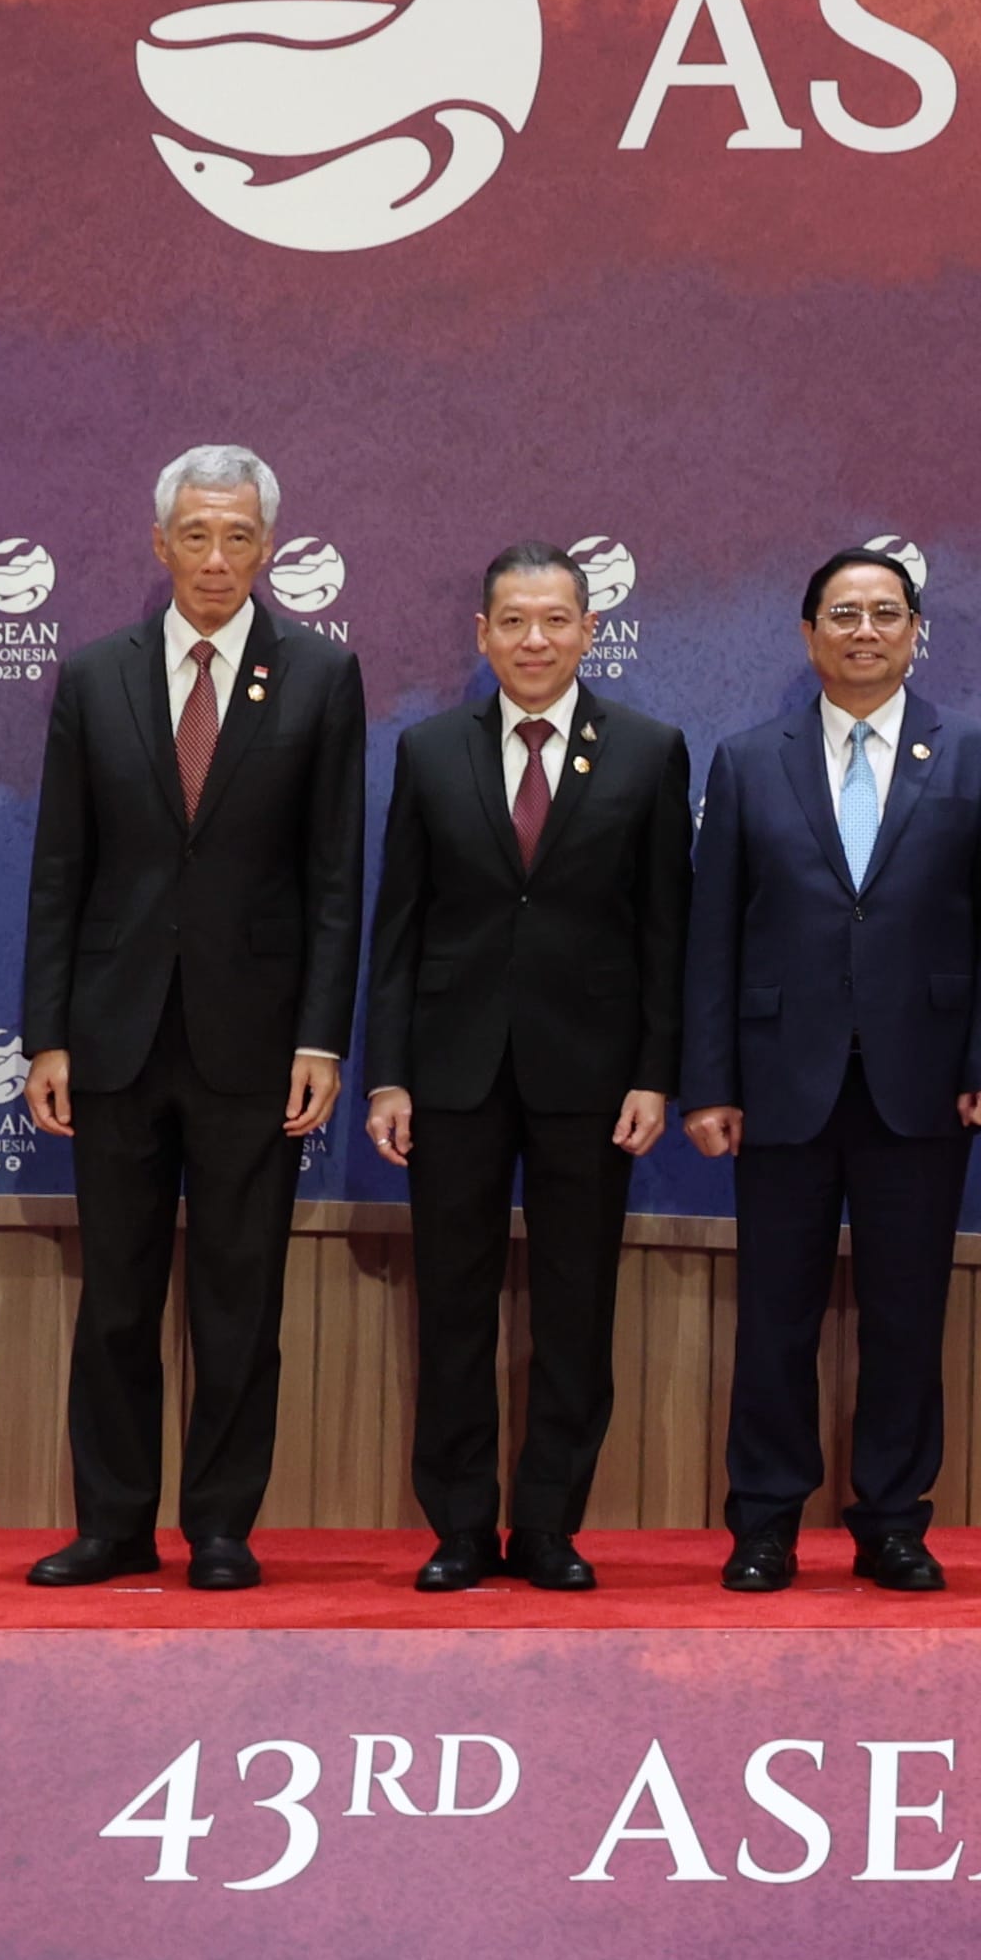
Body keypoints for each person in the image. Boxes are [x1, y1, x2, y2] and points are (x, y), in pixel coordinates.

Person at [17, 445, 366, 1591]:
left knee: (237, 1296)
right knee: (116, 1297)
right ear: (158, 543)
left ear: (268, 548)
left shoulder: (319, 675)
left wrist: (321, 1037)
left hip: (254, 1043)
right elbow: (59, 866)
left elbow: (331, 875)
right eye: (197, 536)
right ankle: (113, 1523)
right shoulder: (92, 674)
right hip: (113, 1036)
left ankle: (220, 1525)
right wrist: (48, 1035)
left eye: (240, 537)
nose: (218, 559)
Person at [683, 547, 981, 1594]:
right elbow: (712, 939)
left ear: (916, 631)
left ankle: (892, 1520)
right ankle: (764, 1522)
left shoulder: (973, 753)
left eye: (887, 614)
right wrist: (709, 1081)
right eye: (843, 614)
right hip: (778, 1077)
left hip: (922, 1081)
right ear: (808, 636)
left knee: (905, 1313)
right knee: (774, 1315)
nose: (865, 631)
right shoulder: (749, 760)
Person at [363, 542, 693, 1594]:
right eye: (513, 621)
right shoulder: (427, 749)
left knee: (574, 1304)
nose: (534, 639)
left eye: (555, 620)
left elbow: (664, 931)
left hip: (590, 1078)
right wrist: (388, 1073)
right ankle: (459, 1524)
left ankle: (549, 1522)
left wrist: (654, 1070)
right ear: (482, 634)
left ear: (590, 630)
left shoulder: (647, 749)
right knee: (452, 1306)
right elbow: (399, 927)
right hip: (451, 1072)